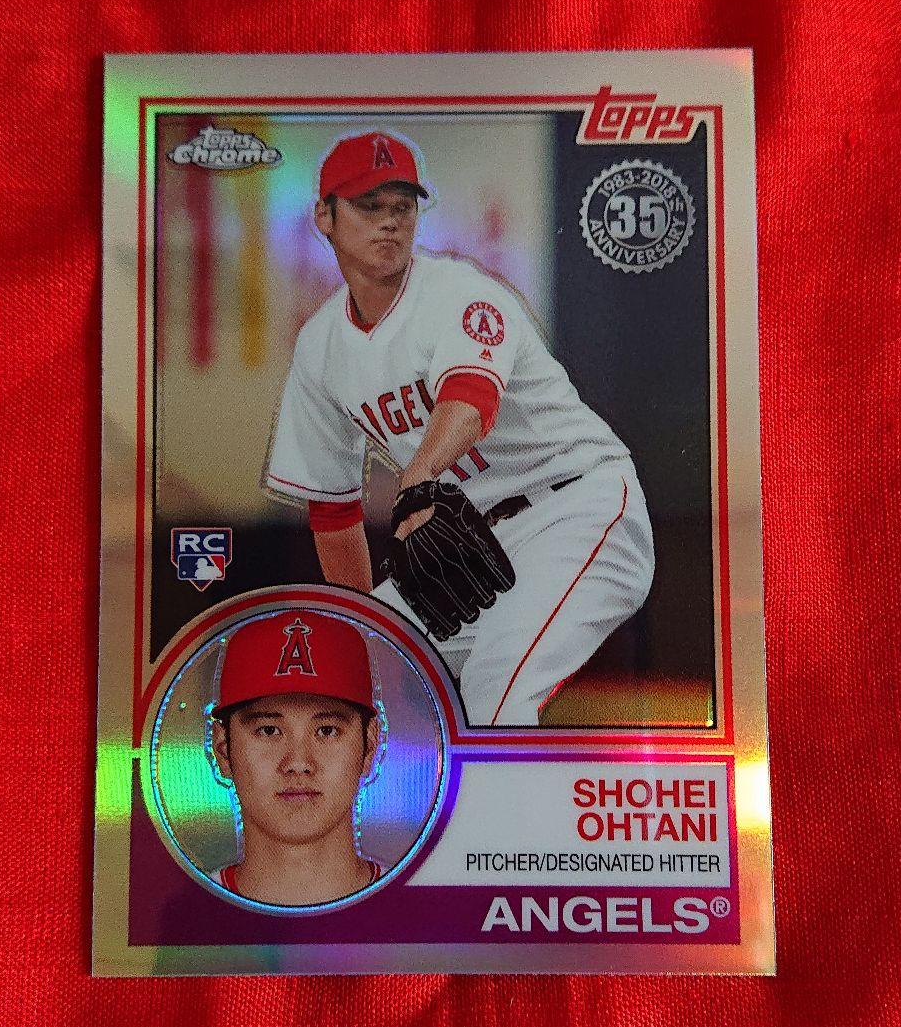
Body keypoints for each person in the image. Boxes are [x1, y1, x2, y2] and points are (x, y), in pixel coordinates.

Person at [262, 131, 654, 727]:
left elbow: (471, 401)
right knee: (357, 685)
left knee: (495, 686)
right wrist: (368, 632)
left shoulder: (459, 293)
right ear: (325, 217)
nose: (389, 221)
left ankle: (513, 795)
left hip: (581, 506)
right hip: (477, 539)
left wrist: (417, 481)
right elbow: (332, 510)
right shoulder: (320, 347)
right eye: (368, 205)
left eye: (402, 206)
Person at [208, 610, 383, 906]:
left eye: (326, 730)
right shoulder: (186, 917)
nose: (299, 763)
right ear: (223, 749)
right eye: (269, 730)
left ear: (369, 746)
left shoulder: (425, 914)